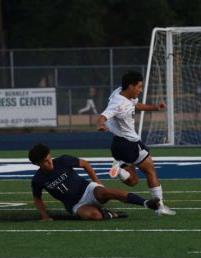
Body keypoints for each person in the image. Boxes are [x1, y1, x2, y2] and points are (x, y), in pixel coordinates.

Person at [97, 70, 176, 216]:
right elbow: (103, 115)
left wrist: (154, 108)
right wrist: (101, 124)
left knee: (132, 181)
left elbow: (136, 105)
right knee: (150, 171)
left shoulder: (120, 92)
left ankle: (120, 171)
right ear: (131, 86)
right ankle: (160, 208)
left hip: (117, 145)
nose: (140, 90)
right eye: (139, 87)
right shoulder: (118, 103)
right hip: (130, 144)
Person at [28, 143, 160, 221]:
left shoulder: (63, 160)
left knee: (105, 191)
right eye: (45, 161)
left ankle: (146, 203)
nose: (49, 162)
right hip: (74, 205)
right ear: (37, 164)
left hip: (88, 190)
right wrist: (45, 216)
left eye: (49, 158)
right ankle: (110, 214)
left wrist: (97, 182)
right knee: (94, 216)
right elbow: (37, 198)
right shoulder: (38, 179)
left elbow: (85, 164)